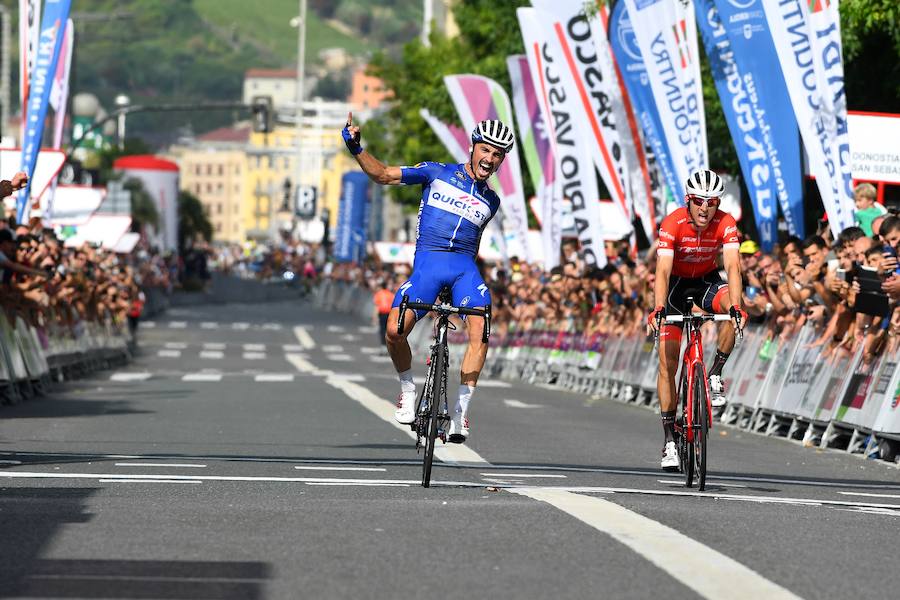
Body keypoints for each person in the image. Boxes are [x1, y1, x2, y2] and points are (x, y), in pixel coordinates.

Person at [342, 112, 514, 443]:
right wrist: (356, 147)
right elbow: (383, 175)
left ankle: (461, 412)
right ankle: (407, 388)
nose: (490, 159)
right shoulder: (436, 173)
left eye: (498, 155)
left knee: (480, 327)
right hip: (428, 265)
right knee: (394, 330)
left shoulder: (491, 200)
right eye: (486, 150)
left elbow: (473, 245)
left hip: (464, 269)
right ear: (473, 147)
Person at [647, 169, 747, 471]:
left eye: (712, 202)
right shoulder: (673, 223)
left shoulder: (726, 223)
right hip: (676, 285)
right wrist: (659, 307)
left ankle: (714, 372)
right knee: (668, 363)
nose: (706, 208)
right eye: (700, 201)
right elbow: (662, 271)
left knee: (735, 307)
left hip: (705, 280)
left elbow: (733, 267)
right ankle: (668, 440)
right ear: (689, 200)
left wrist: (738, 307)